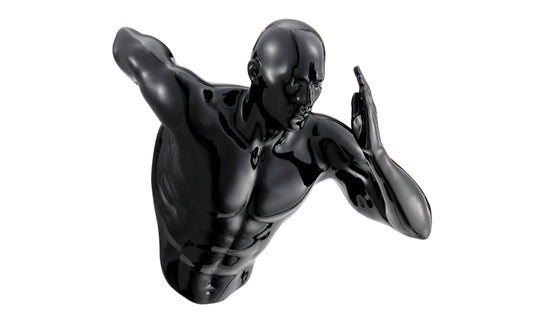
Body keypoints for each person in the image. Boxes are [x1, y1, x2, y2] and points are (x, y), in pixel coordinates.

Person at [113, 19, 432, 304]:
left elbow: (417, 226)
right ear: (256, 73)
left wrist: (377, 156)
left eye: (316, 85)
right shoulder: (198, 114)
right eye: (294, 84)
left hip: (237, 289)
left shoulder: (320, 145)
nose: (306, 101)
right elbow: (127, 43)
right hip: (163, 282)